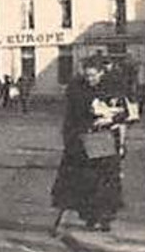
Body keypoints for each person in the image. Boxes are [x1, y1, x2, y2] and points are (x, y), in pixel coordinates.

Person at [51, 59, 127, 233]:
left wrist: (111, 119)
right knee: (86, 181)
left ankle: (105, 217)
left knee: (106, 180)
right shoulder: (76, 89)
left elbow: (126, 113)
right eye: (87, 75)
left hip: (106, 140)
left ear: (101, 73)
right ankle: (90, 217)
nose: (90, 79)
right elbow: (71, 116)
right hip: (83, 140)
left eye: (93, 75)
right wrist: (70, 139)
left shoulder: (112, 88)